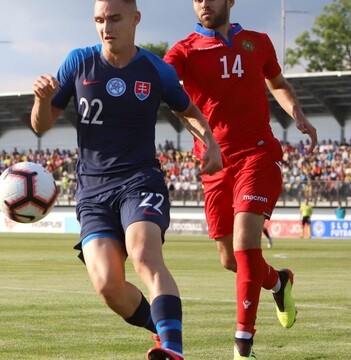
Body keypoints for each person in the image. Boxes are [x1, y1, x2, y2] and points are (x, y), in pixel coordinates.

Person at [30, 1, 223, 359]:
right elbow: (41, 124)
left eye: (114, 19)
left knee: (144, 255)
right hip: (92, 191)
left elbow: (189, 111)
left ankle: (173, 349)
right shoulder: (78, 62)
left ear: (135, 19)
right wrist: (41, 100)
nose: (106, 27)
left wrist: (208, 142)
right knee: (108, 286)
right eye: (100, 20)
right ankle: (162, 328)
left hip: (140, 180)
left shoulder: (155, 70)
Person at [164, 1, 318, 359]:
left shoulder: (258, 42)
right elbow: (170, 96)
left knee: (246, 243)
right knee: (230, 259)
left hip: (258, 154)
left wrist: (298, 113)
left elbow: (277, 82)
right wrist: (208, 142)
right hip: (214, 163)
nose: (204, 3)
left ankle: (242, 347)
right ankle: (279, 282)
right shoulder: (183, 51)